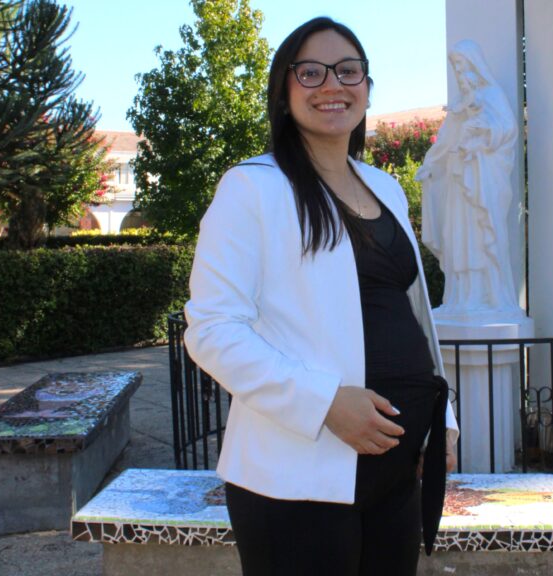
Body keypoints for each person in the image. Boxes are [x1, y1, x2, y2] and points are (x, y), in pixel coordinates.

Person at [184, 17, 458, 576]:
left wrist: (441, 420)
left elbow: (412, 314)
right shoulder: (252, 187)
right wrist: (324, 402)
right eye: (311, 72)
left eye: (348, 71)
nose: (332, 84)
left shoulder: (385, 187)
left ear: (367, 87)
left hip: (397, 469)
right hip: (296, 478)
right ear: (284, 93)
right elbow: (211, 329)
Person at [417, 39, 519, 314]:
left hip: (482, 182)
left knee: (483, 235)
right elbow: (445, 142)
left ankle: (491, 297)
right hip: (459, 182)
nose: (460, 73)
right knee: (458, 238)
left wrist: (482, 133)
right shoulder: (460, 105)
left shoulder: (492, 96)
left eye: (462, 65)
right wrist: (430, 166)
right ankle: (460, 299)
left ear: (475, 65)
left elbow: (507, 130)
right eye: (456, 68)